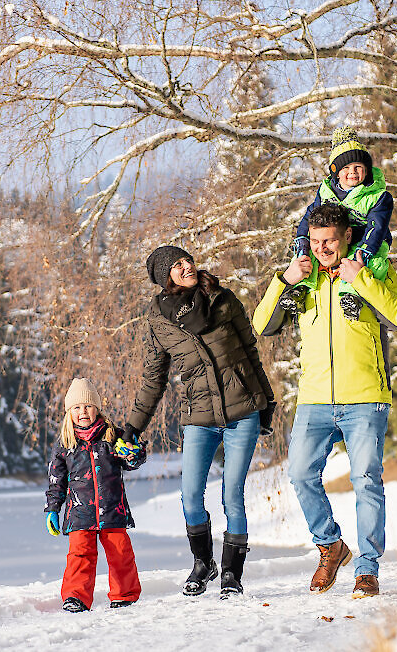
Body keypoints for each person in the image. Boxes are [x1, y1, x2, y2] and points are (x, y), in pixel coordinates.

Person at [251, 200, 397, 599]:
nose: (323, 248)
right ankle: (330, 546)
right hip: (314, 399)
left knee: (366, 481)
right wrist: (283, 280)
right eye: (316, 240)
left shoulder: (371, 270)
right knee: (301, 475)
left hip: (365, 398)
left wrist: (362, 280)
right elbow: (260, 325)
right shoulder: (303, 280)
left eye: (331, 241)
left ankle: (367, 570)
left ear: (347, 239)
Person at [124, 246, 276, 599]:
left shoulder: (222, 299)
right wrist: (133, 426)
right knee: (191, 495)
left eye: (187, 260)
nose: (187, 266)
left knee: (232, 495)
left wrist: (266, 400)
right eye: (177, 265)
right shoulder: (159, 322)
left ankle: (232, 575)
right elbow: (153, 379)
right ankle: (203, 564)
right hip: (199, 417)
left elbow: (251, 351)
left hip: (242, 411)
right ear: (165, 278)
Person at [44, 378, 146, 613]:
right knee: (80, 553)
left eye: (88, 406)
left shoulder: (113, 437)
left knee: (120, 551)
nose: (83, 412)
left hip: (112, 509)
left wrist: (134, 453)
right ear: (69, 412)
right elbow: (55, 480)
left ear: (97, 408)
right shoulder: (64, 444)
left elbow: (131, 462)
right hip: (79, 511)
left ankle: (125, 595)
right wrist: (52, 508)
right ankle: (75, 597)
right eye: (77, 408)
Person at [279, 127, 395, 322]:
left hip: (366, 240)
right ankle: (299, 291)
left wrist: (365, 250)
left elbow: (377, 226)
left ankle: (352, 296)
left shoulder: (377, 196)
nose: (352, 173)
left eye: (358, 167)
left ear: (366, 170)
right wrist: (302, 239)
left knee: (369, 264)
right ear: (336, 172)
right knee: (310, 256)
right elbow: (310, 215)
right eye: (345, 169)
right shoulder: (326, 191)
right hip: (334, 239)